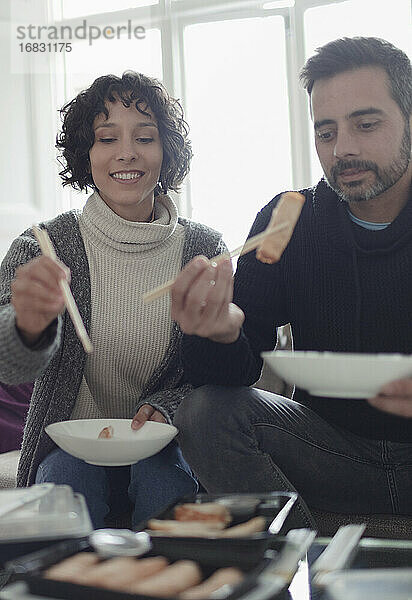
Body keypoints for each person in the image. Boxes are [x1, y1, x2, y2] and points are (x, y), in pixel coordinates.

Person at [171, 37, 412, 525]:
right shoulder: (289, 220)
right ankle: (299, 555)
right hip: (330, 451)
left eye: (366, 125)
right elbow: (231, 374)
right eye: (326, 132)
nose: (344, 149)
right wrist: (219, 333)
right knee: (206, 413)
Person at [0, 71, 226, 527]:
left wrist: (171, 404)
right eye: (107, 138)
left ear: (167, 153)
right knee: (65, 490)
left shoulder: (205, 252)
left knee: (167, 488)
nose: (126, 152)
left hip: (165, 445)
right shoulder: (43, 245)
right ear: (87, 154)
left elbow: (223, 374)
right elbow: (8, 368)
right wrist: (27, 325)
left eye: (145, 137)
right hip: (68, 446)